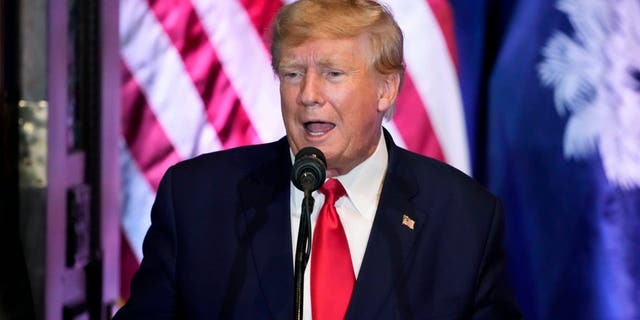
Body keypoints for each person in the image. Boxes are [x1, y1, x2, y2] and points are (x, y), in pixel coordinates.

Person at [115, 0, 521, 319]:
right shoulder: (197, 199)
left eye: (333, 74)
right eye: (292, 74)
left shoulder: (463, 216)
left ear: (386, 89)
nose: (308, 94)